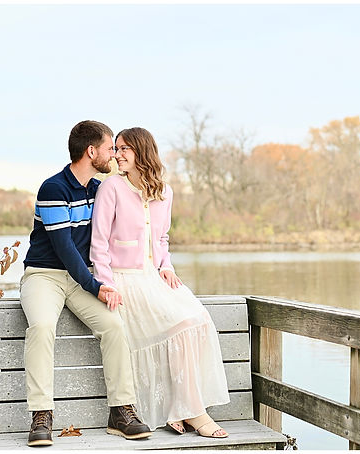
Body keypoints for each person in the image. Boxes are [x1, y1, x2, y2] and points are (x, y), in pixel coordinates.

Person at [90, 127, 231, 438]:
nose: (118, 154)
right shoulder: (111, 187)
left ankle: (181, 407)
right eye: (116, 148)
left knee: (197, 319)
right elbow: (98, 244)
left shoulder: (164, 191)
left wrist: (165, 265)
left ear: (142, 151)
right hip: (123, 280)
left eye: (125, 148)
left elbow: (162, 238)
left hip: (154, 276)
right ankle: (194, 412)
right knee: (179, 325)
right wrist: (105, 284)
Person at [20, 120, 151, 447]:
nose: (114, 155)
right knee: (41, 326)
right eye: (110, 148)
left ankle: (121, 411)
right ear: (91, 151)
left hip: (82, 279)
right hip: (44, 275)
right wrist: (97, 286)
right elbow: (64, 249)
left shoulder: (99, 189)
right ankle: (41, 415)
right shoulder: (53, 188)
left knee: (113, 326)